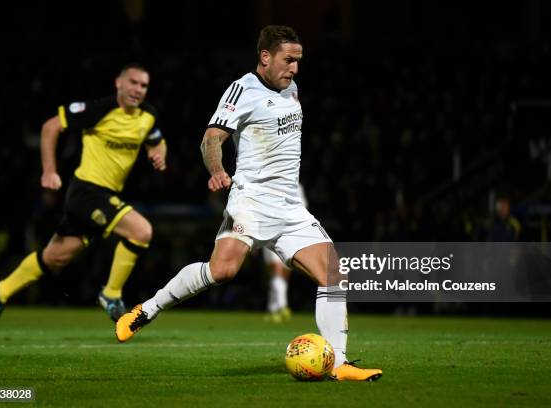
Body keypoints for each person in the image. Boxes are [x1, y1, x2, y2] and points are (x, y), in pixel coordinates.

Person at [116, 26, 382, 381]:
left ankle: (339, 365)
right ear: (265, 57)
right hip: (251, 202)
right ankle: (148, 309)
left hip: (288, 207)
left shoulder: (291, 88)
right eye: (289, 60)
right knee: (222, 271)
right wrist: (217, 169)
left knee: (333, 274)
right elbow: (211, 139)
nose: (295, 69)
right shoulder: (243, 90)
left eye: (299, 61)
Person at [0, 63, 167, 332]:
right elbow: (50, 127)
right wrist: (49, 171)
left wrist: (158, 153)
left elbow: (156, 140)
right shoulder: (98, 110)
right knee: (141, 231)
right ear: (119, 83)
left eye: (144, 85)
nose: (138, 89)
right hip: (88, 192)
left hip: (104, 195)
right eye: (133, 83)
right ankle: (112, 294)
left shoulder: (148, 115)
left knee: (56, 256)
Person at [264, 183, 307, 323]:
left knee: (283, 274)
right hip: (269, 234)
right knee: (276, 271)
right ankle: (283, 306)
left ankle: (272, 309)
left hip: (289, 235)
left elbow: (302, 208)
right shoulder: (266, 184)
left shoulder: (297, 186)